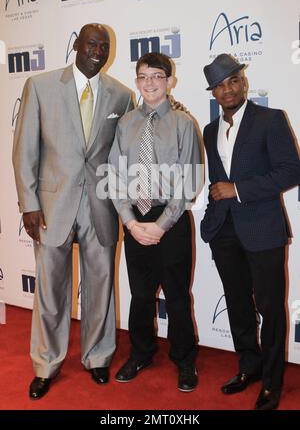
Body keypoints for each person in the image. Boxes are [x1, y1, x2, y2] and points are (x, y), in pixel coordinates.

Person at [12, 23, 135, 399]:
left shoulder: (121, 95)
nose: (97, 51)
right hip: (52, 207)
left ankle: (98, 357)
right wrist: (29, 204)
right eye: (91, 44)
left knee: (101, 288)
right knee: (51, 291)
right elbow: (24, 151)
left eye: (104, 46)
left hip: (100, 207)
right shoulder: (41, 86)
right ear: (77, 45)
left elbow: (123, 153)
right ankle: (46, 363)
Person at [201, 53, 300, 410]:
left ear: (243, 82)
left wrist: (238, 189)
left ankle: (272, 382)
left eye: (232, 81)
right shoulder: (210, 130)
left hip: (263, 230)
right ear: (213, 92)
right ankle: (249, 366)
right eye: (219, 85)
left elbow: (291, 171)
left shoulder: (271, 120)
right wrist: (210, 222)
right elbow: (215, 182)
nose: (227, 90)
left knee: (271, 309)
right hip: (225, 232)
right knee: (238, 305)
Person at [108, 52, 202, 392]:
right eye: (143, 76)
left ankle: (184, 358)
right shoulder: (125, 124)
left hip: (171, 220)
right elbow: (115, 176)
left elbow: (189, 182)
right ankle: (142, 352)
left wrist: (162, 224)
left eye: (158, 76)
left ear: (170, 81)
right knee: (141, 294)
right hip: (135, 219)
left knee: (177, 295)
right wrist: (131, 223)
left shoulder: (183, 124)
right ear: (136, 82)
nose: (150, 82)